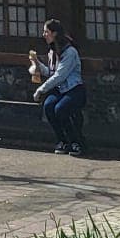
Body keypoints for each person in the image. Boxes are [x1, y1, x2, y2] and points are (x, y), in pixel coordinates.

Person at [31, 18, 87, 156]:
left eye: (46, 32)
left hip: (74, 90)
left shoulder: (70, 52)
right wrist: (38, 65)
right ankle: (62, 140)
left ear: (54, 34)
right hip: (60, 89)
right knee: (49, 106)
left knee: (61, 109)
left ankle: (76, 142)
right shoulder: (52, 52)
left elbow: (60, 75)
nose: (44, 35)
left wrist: (40, 90)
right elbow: (51, 72)